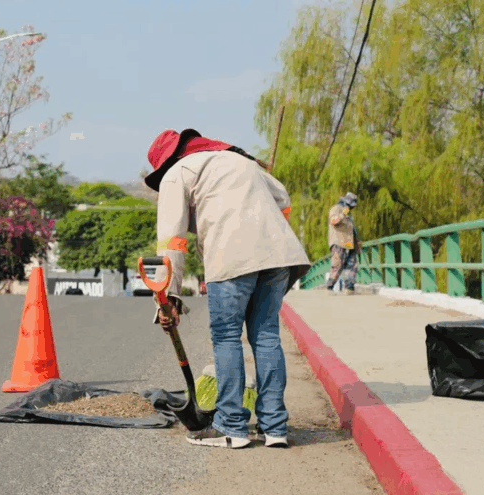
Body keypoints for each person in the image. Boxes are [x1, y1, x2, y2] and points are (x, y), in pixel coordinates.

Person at [145, 128, 311, 449]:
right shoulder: (240, 162)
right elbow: (283, 200)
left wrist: (169, 298)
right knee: (266, 336)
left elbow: (172, 241)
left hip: (232, 254)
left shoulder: (176, 174)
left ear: (165, 163)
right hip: (278, 255)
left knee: (226, 336)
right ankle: (274, 427)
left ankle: (230, 426)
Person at [325, 192, 361, 295]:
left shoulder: (348, 214)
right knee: (337, 265)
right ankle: (329, 287)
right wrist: (343, 214)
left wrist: (357, 241)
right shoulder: (336, 209)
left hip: (350, 244)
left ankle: (349, 287)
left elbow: (351, 229)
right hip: (338, 242)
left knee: (352, 265)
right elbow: (333, 221)